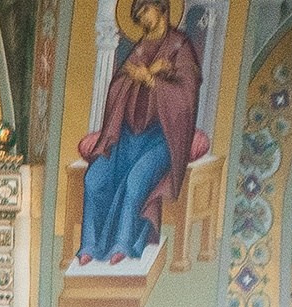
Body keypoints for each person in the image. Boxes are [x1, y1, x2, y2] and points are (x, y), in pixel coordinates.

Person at [74, 0, 202, 266]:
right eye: (137, 14)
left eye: (145, 11)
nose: (142, 18)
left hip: (163, 138)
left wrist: (151, 81)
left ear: (161, 8)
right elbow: (118, 86)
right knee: (94, 178)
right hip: (126, 136)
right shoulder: (141, 48)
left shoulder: (180, 46)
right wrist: (140, 76)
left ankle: (124, 244)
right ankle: (89, 245)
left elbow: (186, 98)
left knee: (136, 181)